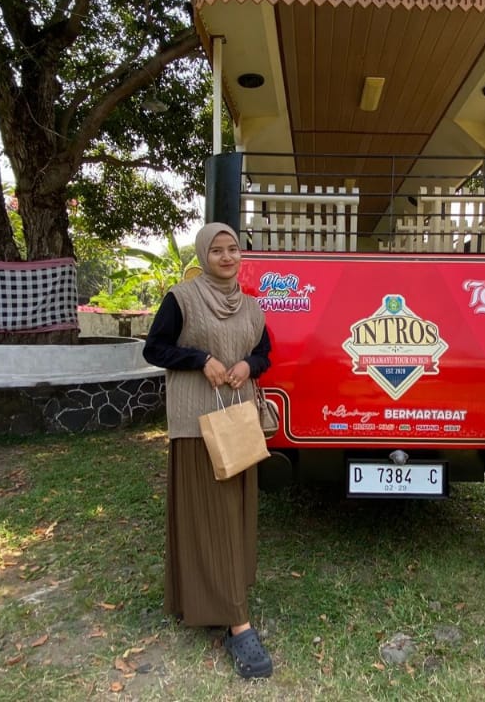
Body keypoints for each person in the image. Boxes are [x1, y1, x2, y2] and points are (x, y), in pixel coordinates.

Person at [142, 222, 274, 678]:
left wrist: (245, 365)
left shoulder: (252, 307)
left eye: (232, 249)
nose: (225, 257)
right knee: (209, 514)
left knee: (231, 516)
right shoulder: (182, 299)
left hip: (237, 424)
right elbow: (154, 349)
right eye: (216, 250)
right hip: (197, 424)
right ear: (203, 254)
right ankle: (239, 623)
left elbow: (264, 354)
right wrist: (200, 360)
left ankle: (203, 593)